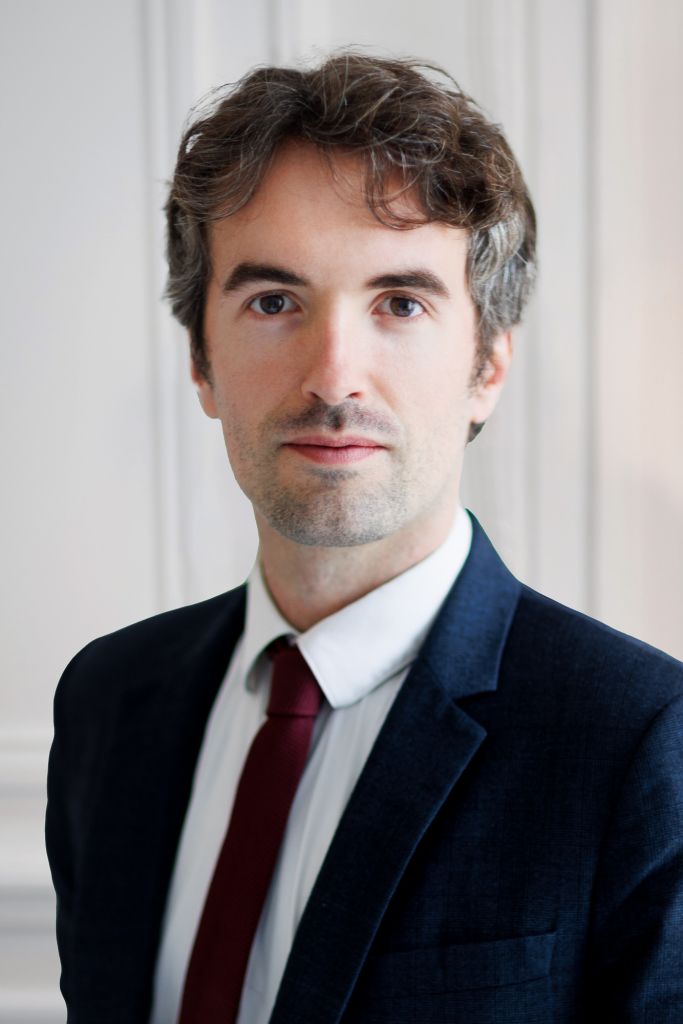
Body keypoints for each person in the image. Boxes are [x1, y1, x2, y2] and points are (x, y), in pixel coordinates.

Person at [45, 52, 683, 1023]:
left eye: (399, 303)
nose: (333, 375)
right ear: (202, 362)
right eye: (273, 302)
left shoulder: (639, 738)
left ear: (486, 366)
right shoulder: (107, 698)